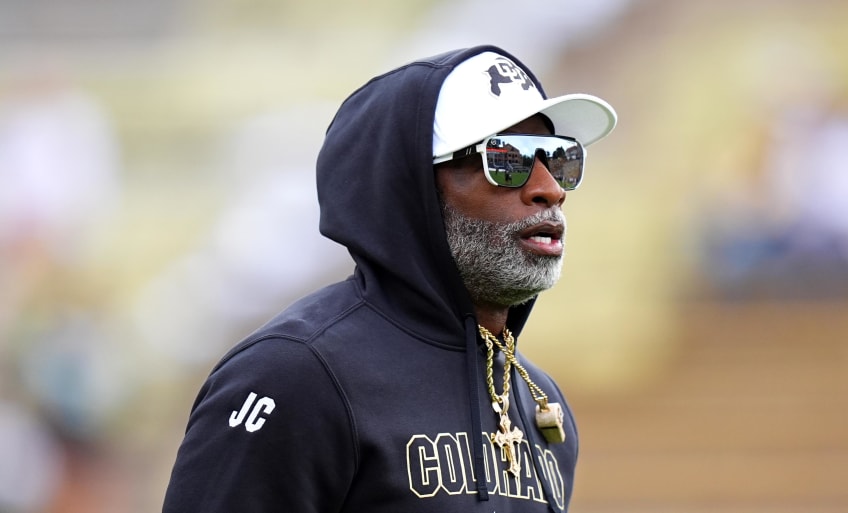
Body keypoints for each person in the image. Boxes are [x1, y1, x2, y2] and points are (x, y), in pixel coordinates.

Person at [162, 45, 616, 513]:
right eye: (507, 159)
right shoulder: (295, 375)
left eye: (559, 157)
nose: (550, 188)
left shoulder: (535, 396)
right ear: (410, 185)